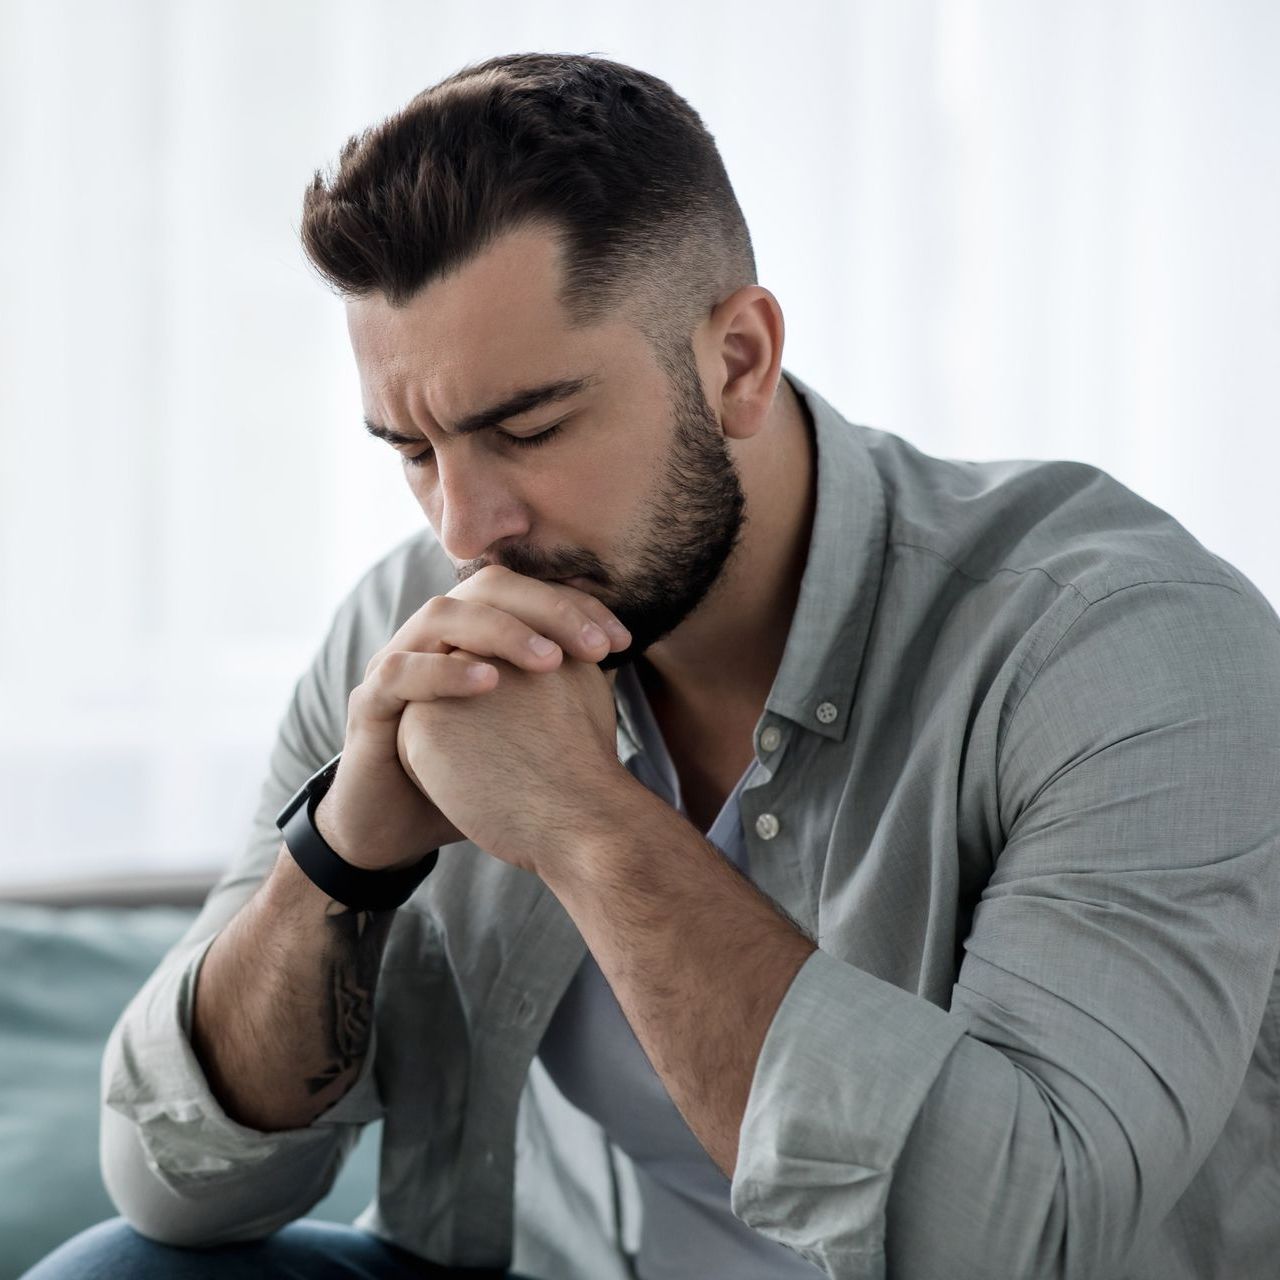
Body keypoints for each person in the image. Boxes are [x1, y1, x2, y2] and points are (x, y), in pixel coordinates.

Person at [23, 50, 1280, 1280]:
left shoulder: (1117, 643)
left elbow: (1015, 1238)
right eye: (411, 448)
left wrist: (585, 822)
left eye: (527, 426)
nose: (463, 527)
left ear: (736, 359)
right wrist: (347, 849)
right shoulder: (421, 628)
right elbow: (169, 1177)